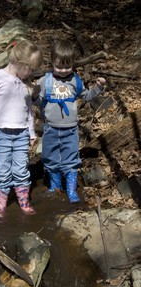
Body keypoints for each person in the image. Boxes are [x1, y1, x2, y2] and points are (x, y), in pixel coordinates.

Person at [33, 38, 106, 203]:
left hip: (70, 129)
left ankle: (71, 190)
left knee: (71, 158)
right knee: (50, 157)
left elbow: (86, 97)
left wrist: (98, 88)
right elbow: (37, 103)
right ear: (51, 62)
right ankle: (55, 186)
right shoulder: (46, 80)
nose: (64, 70)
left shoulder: (75, 80)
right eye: (59, 66)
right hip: (51, 128)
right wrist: (35, 94)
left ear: (73, 64)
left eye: (68, 66)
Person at [0, 39, 43, 218]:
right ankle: (1, 205)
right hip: (0, 133)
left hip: (21, 133)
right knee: (2, 169)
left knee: (22, 169)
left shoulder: (26, 84)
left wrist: (31, 133)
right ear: (19, 63)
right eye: (30, 69)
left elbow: (28, 111)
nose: (32, 72)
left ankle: (23, 202)